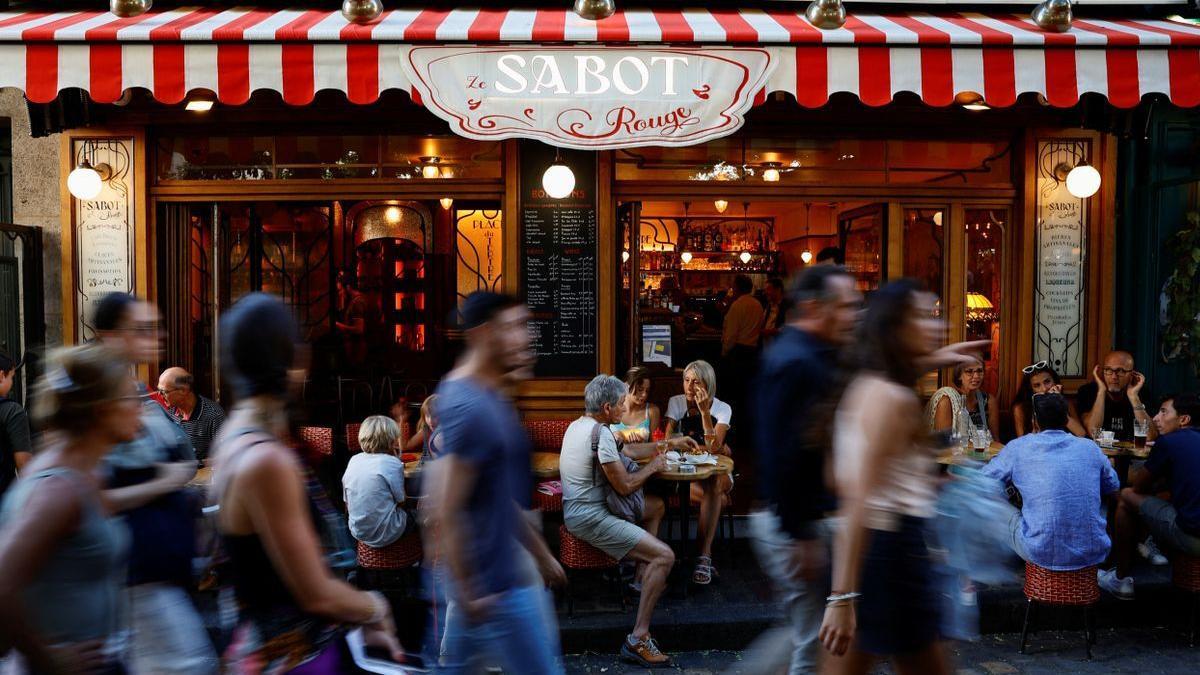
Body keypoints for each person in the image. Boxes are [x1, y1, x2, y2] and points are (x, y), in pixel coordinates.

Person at [212, 293, 404, 671]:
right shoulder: (267, 459)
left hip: (265, 648)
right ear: (290, 358)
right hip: (291, 657)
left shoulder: (233, 435)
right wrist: (374, 607)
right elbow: (315, 594)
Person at [819, 280, 986, 674]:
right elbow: (859, 497)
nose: (936, 325)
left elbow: (847, 479)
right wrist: (841, 598)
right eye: (922, 316)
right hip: (888, 553)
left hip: (875, 552)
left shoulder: (868, 383)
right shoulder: (891, 398)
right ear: (895, 328)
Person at [432, 291, 566, 674]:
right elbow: (446, 506)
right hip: (496, 590)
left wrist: (540, 555)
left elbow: (496, 495)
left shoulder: (488, 397)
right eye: (514, 327)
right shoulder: (471, 405)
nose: (526, 338)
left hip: (501, 582)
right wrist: (472, 593)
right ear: (484, 335)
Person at [93, 293, 216, 674]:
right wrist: (164, 482)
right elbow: (91, 496)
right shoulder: (95, 398)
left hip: (161, 578)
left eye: (155, 326)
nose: (156, 335)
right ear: (110, 334)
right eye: (142, 328)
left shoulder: (138, 391)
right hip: (134, 584)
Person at [749, 265, 861, 674]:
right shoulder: (797, 361)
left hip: (803, 518)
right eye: (846, 306)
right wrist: (800, 533)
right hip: (796, 522)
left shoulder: (812, 354)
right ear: (816, 307)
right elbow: (783, 451)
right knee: (814, 641)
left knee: (810, 628)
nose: (853, 316)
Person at [0, 346, 139, 674]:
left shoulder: (87, 471)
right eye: (130, 399)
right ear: (102, 409)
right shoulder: (58, 489)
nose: (140, 409)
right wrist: (48, 659)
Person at [561, 374, 699, 667]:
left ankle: (639, 579)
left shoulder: (580, 426)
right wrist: (655, 468)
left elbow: (632, 451)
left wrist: (671, 444)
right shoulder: (601, 434)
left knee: (655, 507)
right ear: (608, 407)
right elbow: (625, 486)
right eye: (621, 402)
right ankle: (638, 638)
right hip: (591, 518)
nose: (625, 407)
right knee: (664, 556)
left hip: (577, 511)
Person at [981, 393, 1120, 570]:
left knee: (989, 501)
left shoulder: (1019, 447)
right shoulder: (1090, 447)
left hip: (1039, 552)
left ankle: (981, 572)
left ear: (1035, 421)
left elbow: (984, 480)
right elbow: (1113, 485)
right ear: (1066, 419)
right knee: (1101, 500)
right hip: (1093, 551)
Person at [1100, 393, 1200, 600]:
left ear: (1184, 419)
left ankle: (1121, 578)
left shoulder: (1170, 441)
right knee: (1162, 496)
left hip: (1193, 538)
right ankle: (1145, 544)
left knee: (1126, 496)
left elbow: (1138, 486)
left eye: (1163, 412)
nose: (1155, 418)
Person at [664, 360, 733, 586]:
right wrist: (713, 447)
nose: (689, 387)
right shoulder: (675, 403)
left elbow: (713, 449)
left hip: (716, 473)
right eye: (686, 380)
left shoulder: (722, 408)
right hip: (687, 473)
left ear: (708, 383)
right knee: (718, 499)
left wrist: (704, 414)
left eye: (696, 381)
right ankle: (703, 556)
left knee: (714, 483)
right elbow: (667, 443)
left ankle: (699, 554)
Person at [343, 415, 412, 549]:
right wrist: (396, 459)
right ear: (392, 441)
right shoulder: (392, 463)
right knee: (424, 516)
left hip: (357, 531)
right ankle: (421, 559)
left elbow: (347, 501)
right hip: (387, 532)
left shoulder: (354, 460)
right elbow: (402, 501)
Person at [1076, 350, 1156, 442]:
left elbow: (1150, 436)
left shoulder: (1142, 394)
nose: (1114, 376)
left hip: (1131, 454)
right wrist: (1101, 391)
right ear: (1102, 372)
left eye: (1121, 371)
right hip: (1100, 454)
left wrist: (1134, 397)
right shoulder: (1088, 391)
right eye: (1108, 370)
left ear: (1131, 375)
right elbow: (1093, 432)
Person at [158, 366, 226, 464]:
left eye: (164, 392)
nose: (159, 395)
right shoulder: (169, 410)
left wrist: (195, 464)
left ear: (183, 391)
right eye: (158, 390)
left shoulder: (213, 415)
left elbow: (224, 456)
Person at [925, 356, 1000, 441]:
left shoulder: (989, 401)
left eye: (980, 371)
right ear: (959, 375)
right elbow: (944, 444)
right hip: (954, 453)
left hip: (984, 452)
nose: (976, 376)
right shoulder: (947, 401)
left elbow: (995, 439)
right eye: (969, 371)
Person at [1010, 362, 1087, 437]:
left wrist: (1058, 407)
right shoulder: (1020, 408)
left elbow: (1081, 434)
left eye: (1047, 382)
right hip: (1038, 449)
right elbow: (1023, 443)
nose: (1044, 388)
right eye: (1037, 385)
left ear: (1054, 381)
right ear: (1031, 389)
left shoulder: (1066, 403)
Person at [0, 352, 32, 498]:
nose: (12, 382)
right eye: (11, 377)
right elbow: (23, 465)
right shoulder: (12, 412)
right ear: (1, 376)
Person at [611, 366, 662, 444]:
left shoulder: (652, 411)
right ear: (626, 386)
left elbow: (656, 446)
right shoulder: (611, 408)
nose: (644, 395)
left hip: (644, 455)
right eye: (640, 390)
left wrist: (641, 446)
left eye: (647, 391)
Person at [760, 277, 791, 342]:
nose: (765, 293)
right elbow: (763, 322)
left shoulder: (788, 305)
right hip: (767, 346)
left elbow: (790, 327)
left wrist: (772, 332)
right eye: (765, 290)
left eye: (768, 289)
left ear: (778, 290)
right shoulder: (768, 305)